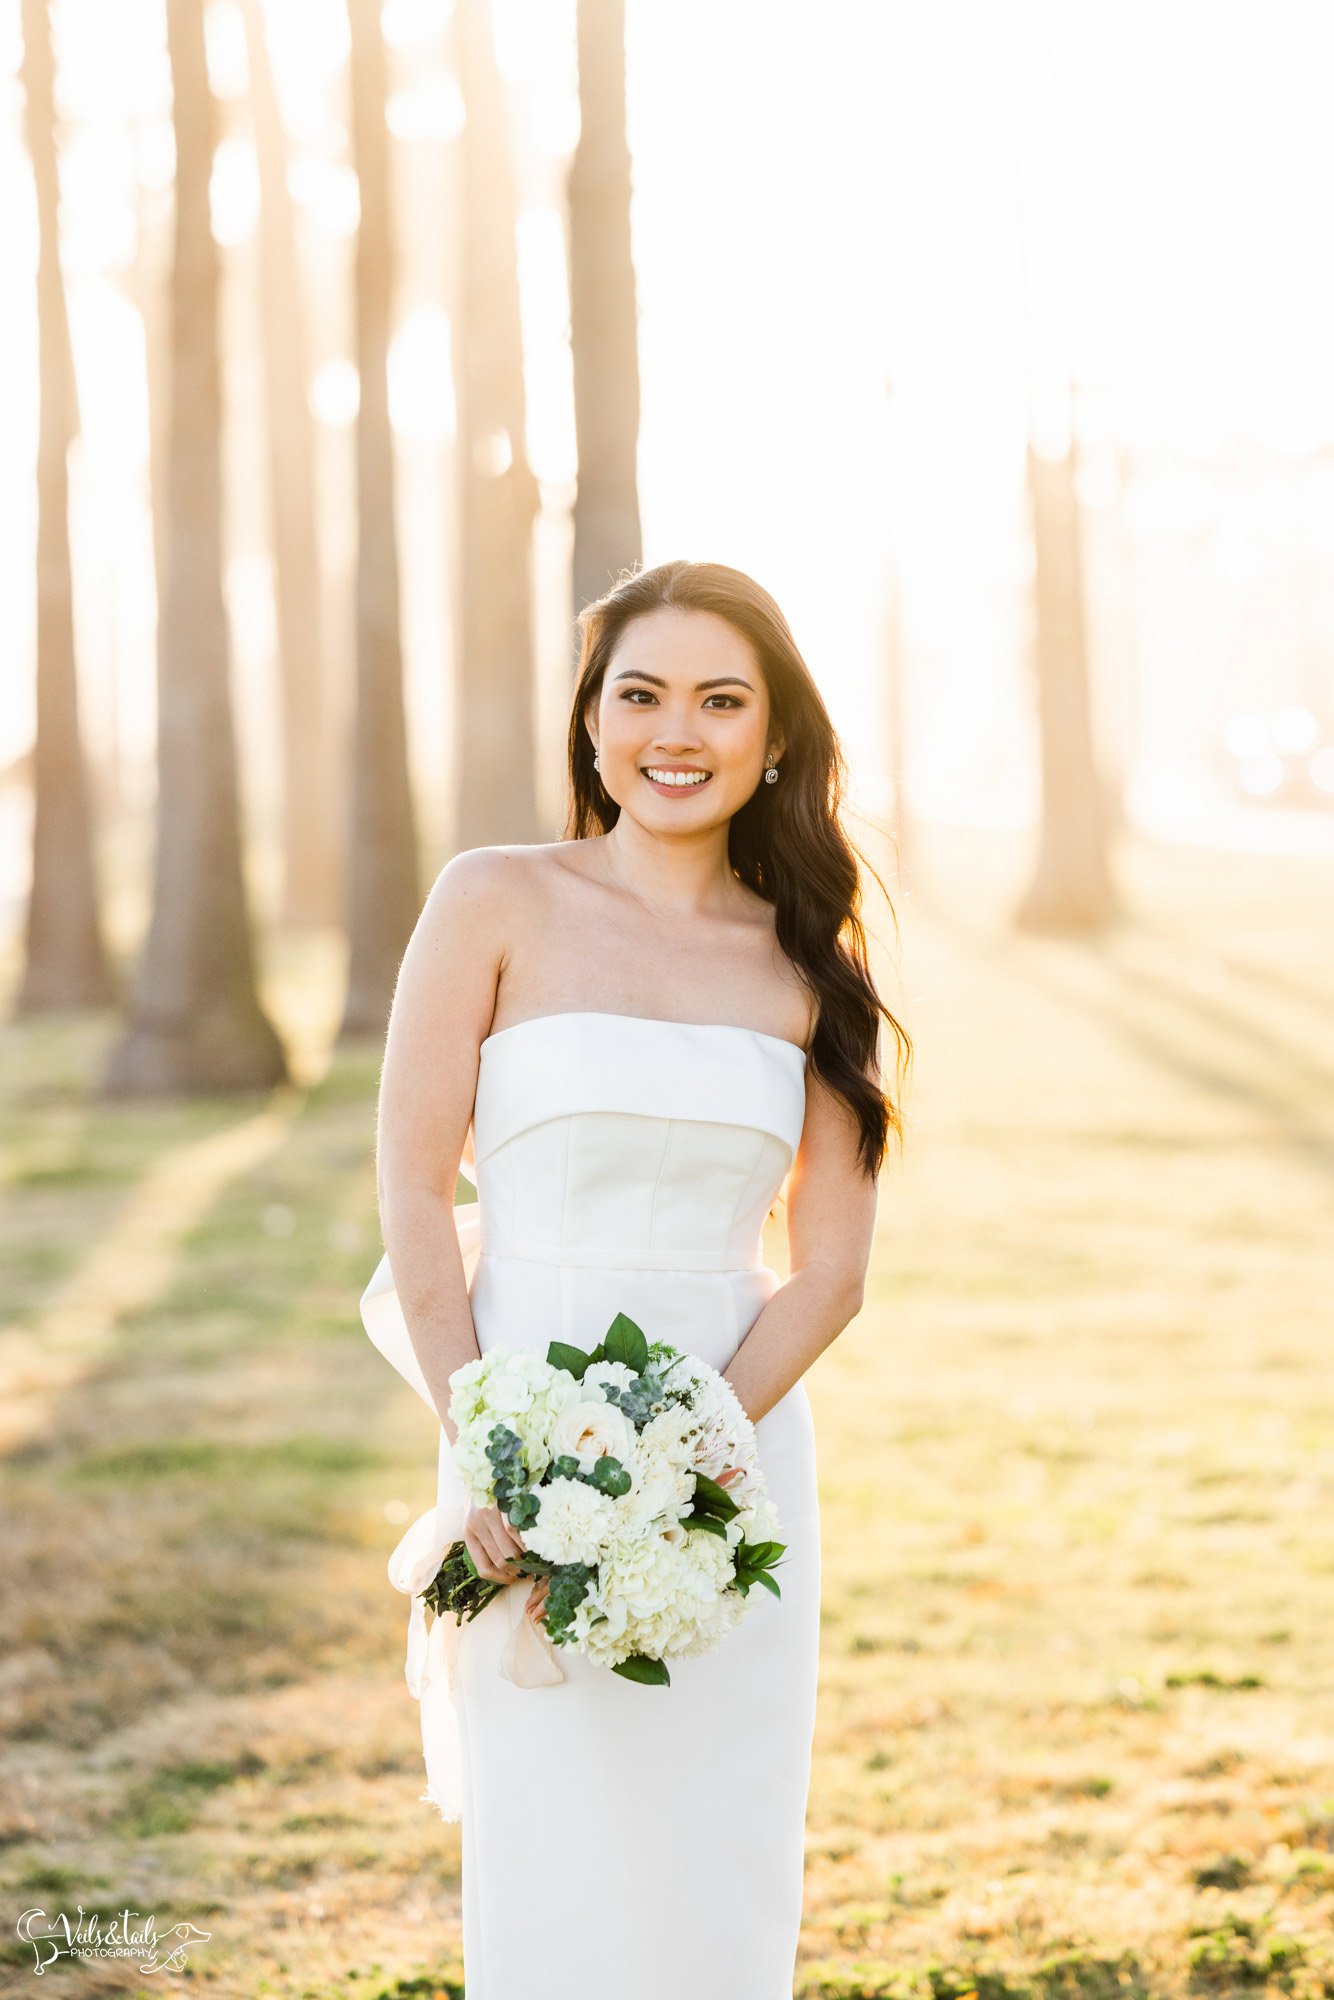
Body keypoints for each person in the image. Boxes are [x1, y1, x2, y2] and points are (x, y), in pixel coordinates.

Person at [361, 559, 910, 1998]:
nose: (678, 730)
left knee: (708, 1842)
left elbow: (828, 1273)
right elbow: (414, 1188)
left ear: (773, 736)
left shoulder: (807, 958)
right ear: (591, 724)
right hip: (516, 1423)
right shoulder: (492, 899)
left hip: (733, 1445)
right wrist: (480, 1434)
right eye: (640, 693)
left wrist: (685, 1453)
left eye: (721, 700)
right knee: (555, 1832)